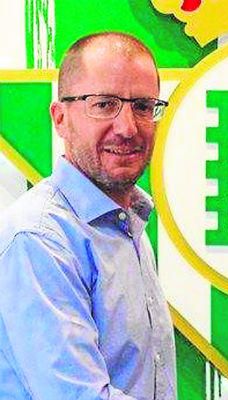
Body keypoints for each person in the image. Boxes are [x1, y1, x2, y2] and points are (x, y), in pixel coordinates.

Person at [0, 32, 176, 399]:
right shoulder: (39, 238)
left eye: (143, 106)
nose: (127, 127)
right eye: (104, 104)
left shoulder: (128, 223)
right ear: (60, 118)